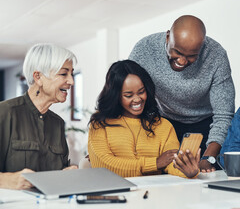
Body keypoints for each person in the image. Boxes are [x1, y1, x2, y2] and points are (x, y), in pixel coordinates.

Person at [129, 15, 235, 173]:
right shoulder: (145, 49)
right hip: (163, 123)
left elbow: (224, 115)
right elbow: (124, 91)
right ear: (167, 37)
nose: (183, 61)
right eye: (177, 52)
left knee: (200, 179)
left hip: (205, 126)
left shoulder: (216, 56)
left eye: (192, 56)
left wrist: (208, 159)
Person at [88, 60, 200, 178]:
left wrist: (188, 171)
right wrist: (155, 163)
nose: (137, 99)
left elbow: (171, 163)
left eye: (141, 92)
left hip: (151, 192)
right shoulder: (100, 123)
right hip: (114, 192)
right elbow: (104, 166)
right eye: (128, 95)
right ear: (116, 96)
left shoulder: (163, 125)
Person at [0, 43, 78, 190]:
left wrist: (67, 174)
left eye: (72, 74)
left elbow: (55, 176)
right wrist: (4, 180)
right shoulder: (4, 113)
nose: (71, 81)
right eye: (63, 74)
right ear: (38, 77)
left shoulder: (58, 124)